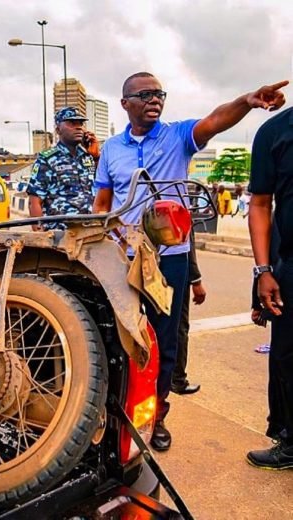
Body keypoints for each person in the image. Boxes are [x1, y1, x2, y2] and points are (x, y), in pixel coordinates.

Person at [93, 71, 288, 452]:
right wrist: (104, 238)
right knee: (117, 337)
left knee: (164, 341)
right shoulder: (111, 150)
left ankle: (157, 416)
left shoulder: (178, 136)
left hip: (170, 260)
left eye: (159, 94)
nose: (154, 100)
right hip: (122, 258)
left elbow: (214, 121)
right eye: (145, 94)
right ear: (125, 104)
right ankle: (112, 413)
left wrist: (247, 100)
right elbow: (102, 204)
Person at [247, 105, 293, 470]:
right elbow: (261, 203)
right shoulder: (273, 131)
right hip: (290, 264)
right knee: (285, 357)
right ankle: (289, 441)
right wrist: (264, 270)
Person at [27, 107, 100, 230]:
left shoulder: (88, 157)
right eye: (71, 123)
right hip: (60, 236)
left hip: (89, 232)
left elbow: (103, 187)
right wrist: (39, 236)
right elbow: (34, 201)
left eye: (80, 123)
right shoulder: (47, 159)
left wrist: (96, 156)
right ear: (58, 129)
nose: (79, 127)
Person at [171, 233, 206, 395]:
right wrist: (196, 280)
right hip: (172, 266)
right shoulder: (180, 207)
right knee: (178, 326)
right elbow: (186, 243)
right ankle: (177, 379)